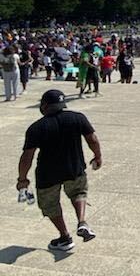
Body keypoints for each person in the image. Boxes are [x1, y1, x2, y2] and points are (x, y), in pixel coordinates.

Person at [17, 90, 102, 251]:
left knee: (50, 205)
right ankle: (82, 221)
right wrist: (97, 156)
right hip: (74, 168)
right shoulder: (78, 118)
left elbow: (27, 156)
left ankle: (65, 237)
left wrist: (22, 179)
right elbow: (93, 139)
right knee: (78, 193)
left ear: (45, 106)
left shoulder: (37, 127)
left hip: (47, 174)